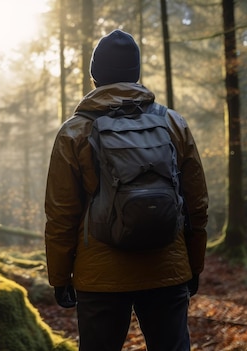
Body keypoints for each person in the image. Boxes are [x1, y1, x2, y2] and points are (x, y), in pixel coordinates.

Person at [44, 29, 209, 351]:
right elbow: (196, 204)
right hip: (167, 266)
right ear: (135, 74)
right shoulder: (173, 123)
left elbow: (61, 213)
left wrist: (60, 277)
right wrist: (194, 264)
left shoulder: (75, 131)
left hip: (101, 274)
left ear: (95, 76)